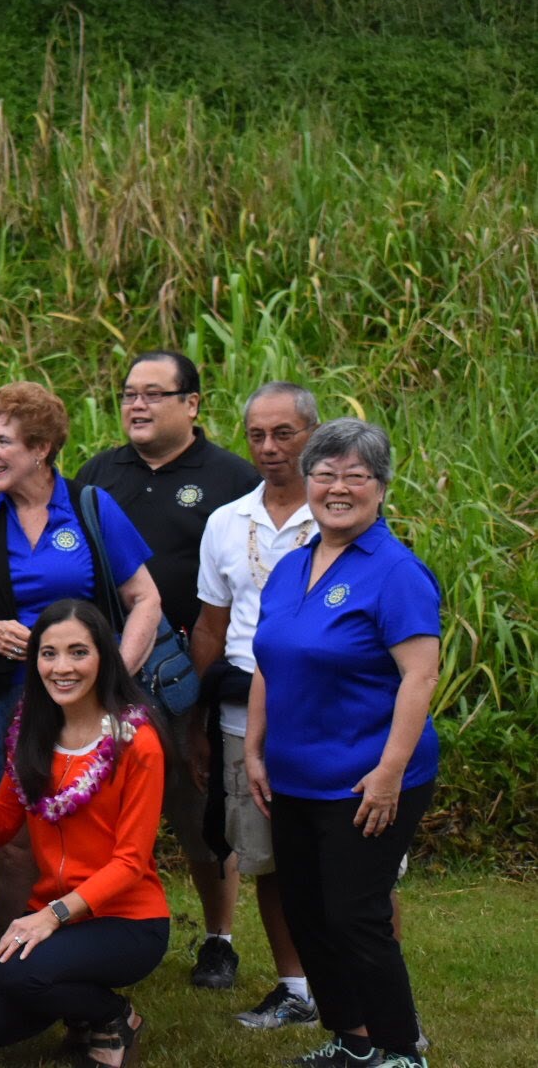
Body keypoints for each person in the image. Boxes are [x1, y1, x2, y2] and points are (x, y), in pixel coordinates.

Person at [0, 381, 159, 930]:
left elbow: (144, 597)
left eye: (5, 441)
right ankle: (16, 959)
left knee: (88, 833)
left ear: (42, 448)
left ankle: (91, 948)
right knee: (11, 841)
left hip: (80, 701)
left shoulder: (88, 506)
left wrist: (113, 677)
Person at [247, 419, 439, 1068]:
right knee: (307, 912)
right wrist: (253, 749)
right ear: (306, 483)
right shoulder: (291, 566)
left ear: (381, 488)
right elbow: (269, 661)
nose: (337, 487)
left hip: (365, 778)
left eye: (355, 476)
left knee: (356, 915)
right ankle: (351, 1039)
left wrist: (390, 770)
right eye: (324, 473)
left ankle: (399, 1048)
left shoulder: (396, 572)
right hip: (293, 774)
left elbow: (420, 676)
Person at [76, 350, 259, 990]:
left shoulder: (231, 478)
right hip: (112, 672)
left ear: (192, 403)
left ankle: (219, 939)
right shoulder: (99, 473)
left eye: (155, 394)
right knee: (102, 804)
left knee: (198, 805)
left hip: (191, 675)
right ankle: (98, 925)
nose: (138, 405)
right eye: (129, 393)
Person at [0, 599, 169, 1068]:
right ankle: (79, 1010)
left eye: (78, 652)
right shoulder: (31, 733)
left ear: (104, 658)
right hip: (55, 917)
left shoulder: (135, 742)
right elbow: (2, 824)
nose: (62, 667)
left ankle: (114, 1017)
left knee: (23, 975)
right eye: (48, 654)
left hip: (128, 921)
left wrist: (51, 916)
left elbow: (131, 861)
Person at [189, 381, 320, 1028]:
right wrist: (200, 721)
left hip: (325, 715)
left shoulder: (339, 517)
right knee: (264, 853)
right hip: (243, 716)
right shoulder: (226, 521)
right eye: (258, 436)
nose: (269, 449)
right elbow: (211, 628)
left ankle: (366, 983)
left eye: (284, 434)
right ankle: (295, 987)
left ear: (312, 435)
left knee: (346, 857)